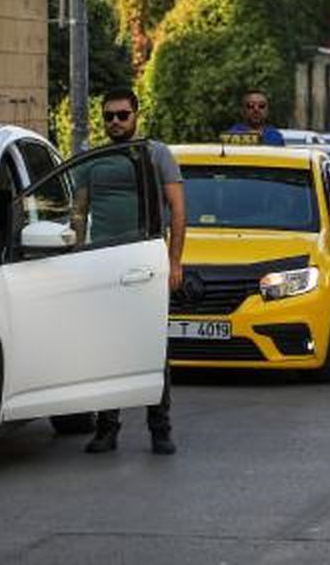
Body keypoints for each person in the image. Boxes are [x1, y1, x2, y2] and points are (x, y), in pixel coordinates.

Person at [80, 87, 185, 456]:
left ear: (136, 115)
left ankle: (160, 429)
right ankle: (106, 429)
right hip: (100, 263)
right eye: (109, 116)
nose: (115, 122)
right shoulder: (93, 159)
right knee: (107, 349)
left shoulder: (155, 154)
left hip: (145, 264)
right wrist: (72, 257)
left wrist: (174, 262)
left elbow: (177, 209)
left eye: (122, 115)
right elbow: (79, 213)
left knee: (152, 348)